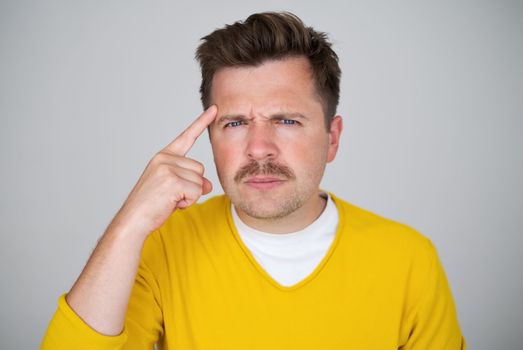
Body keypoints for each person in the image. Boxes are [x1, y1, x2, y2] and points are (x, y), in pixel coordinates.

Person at [41, 11, 466, 349]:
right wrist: (130, 222)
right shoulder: (160, 246)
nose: (259, 147)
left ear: (332, 138)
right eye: (235, 123)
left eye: (286, 120)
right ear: (210, 139)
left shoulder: (409, 258)